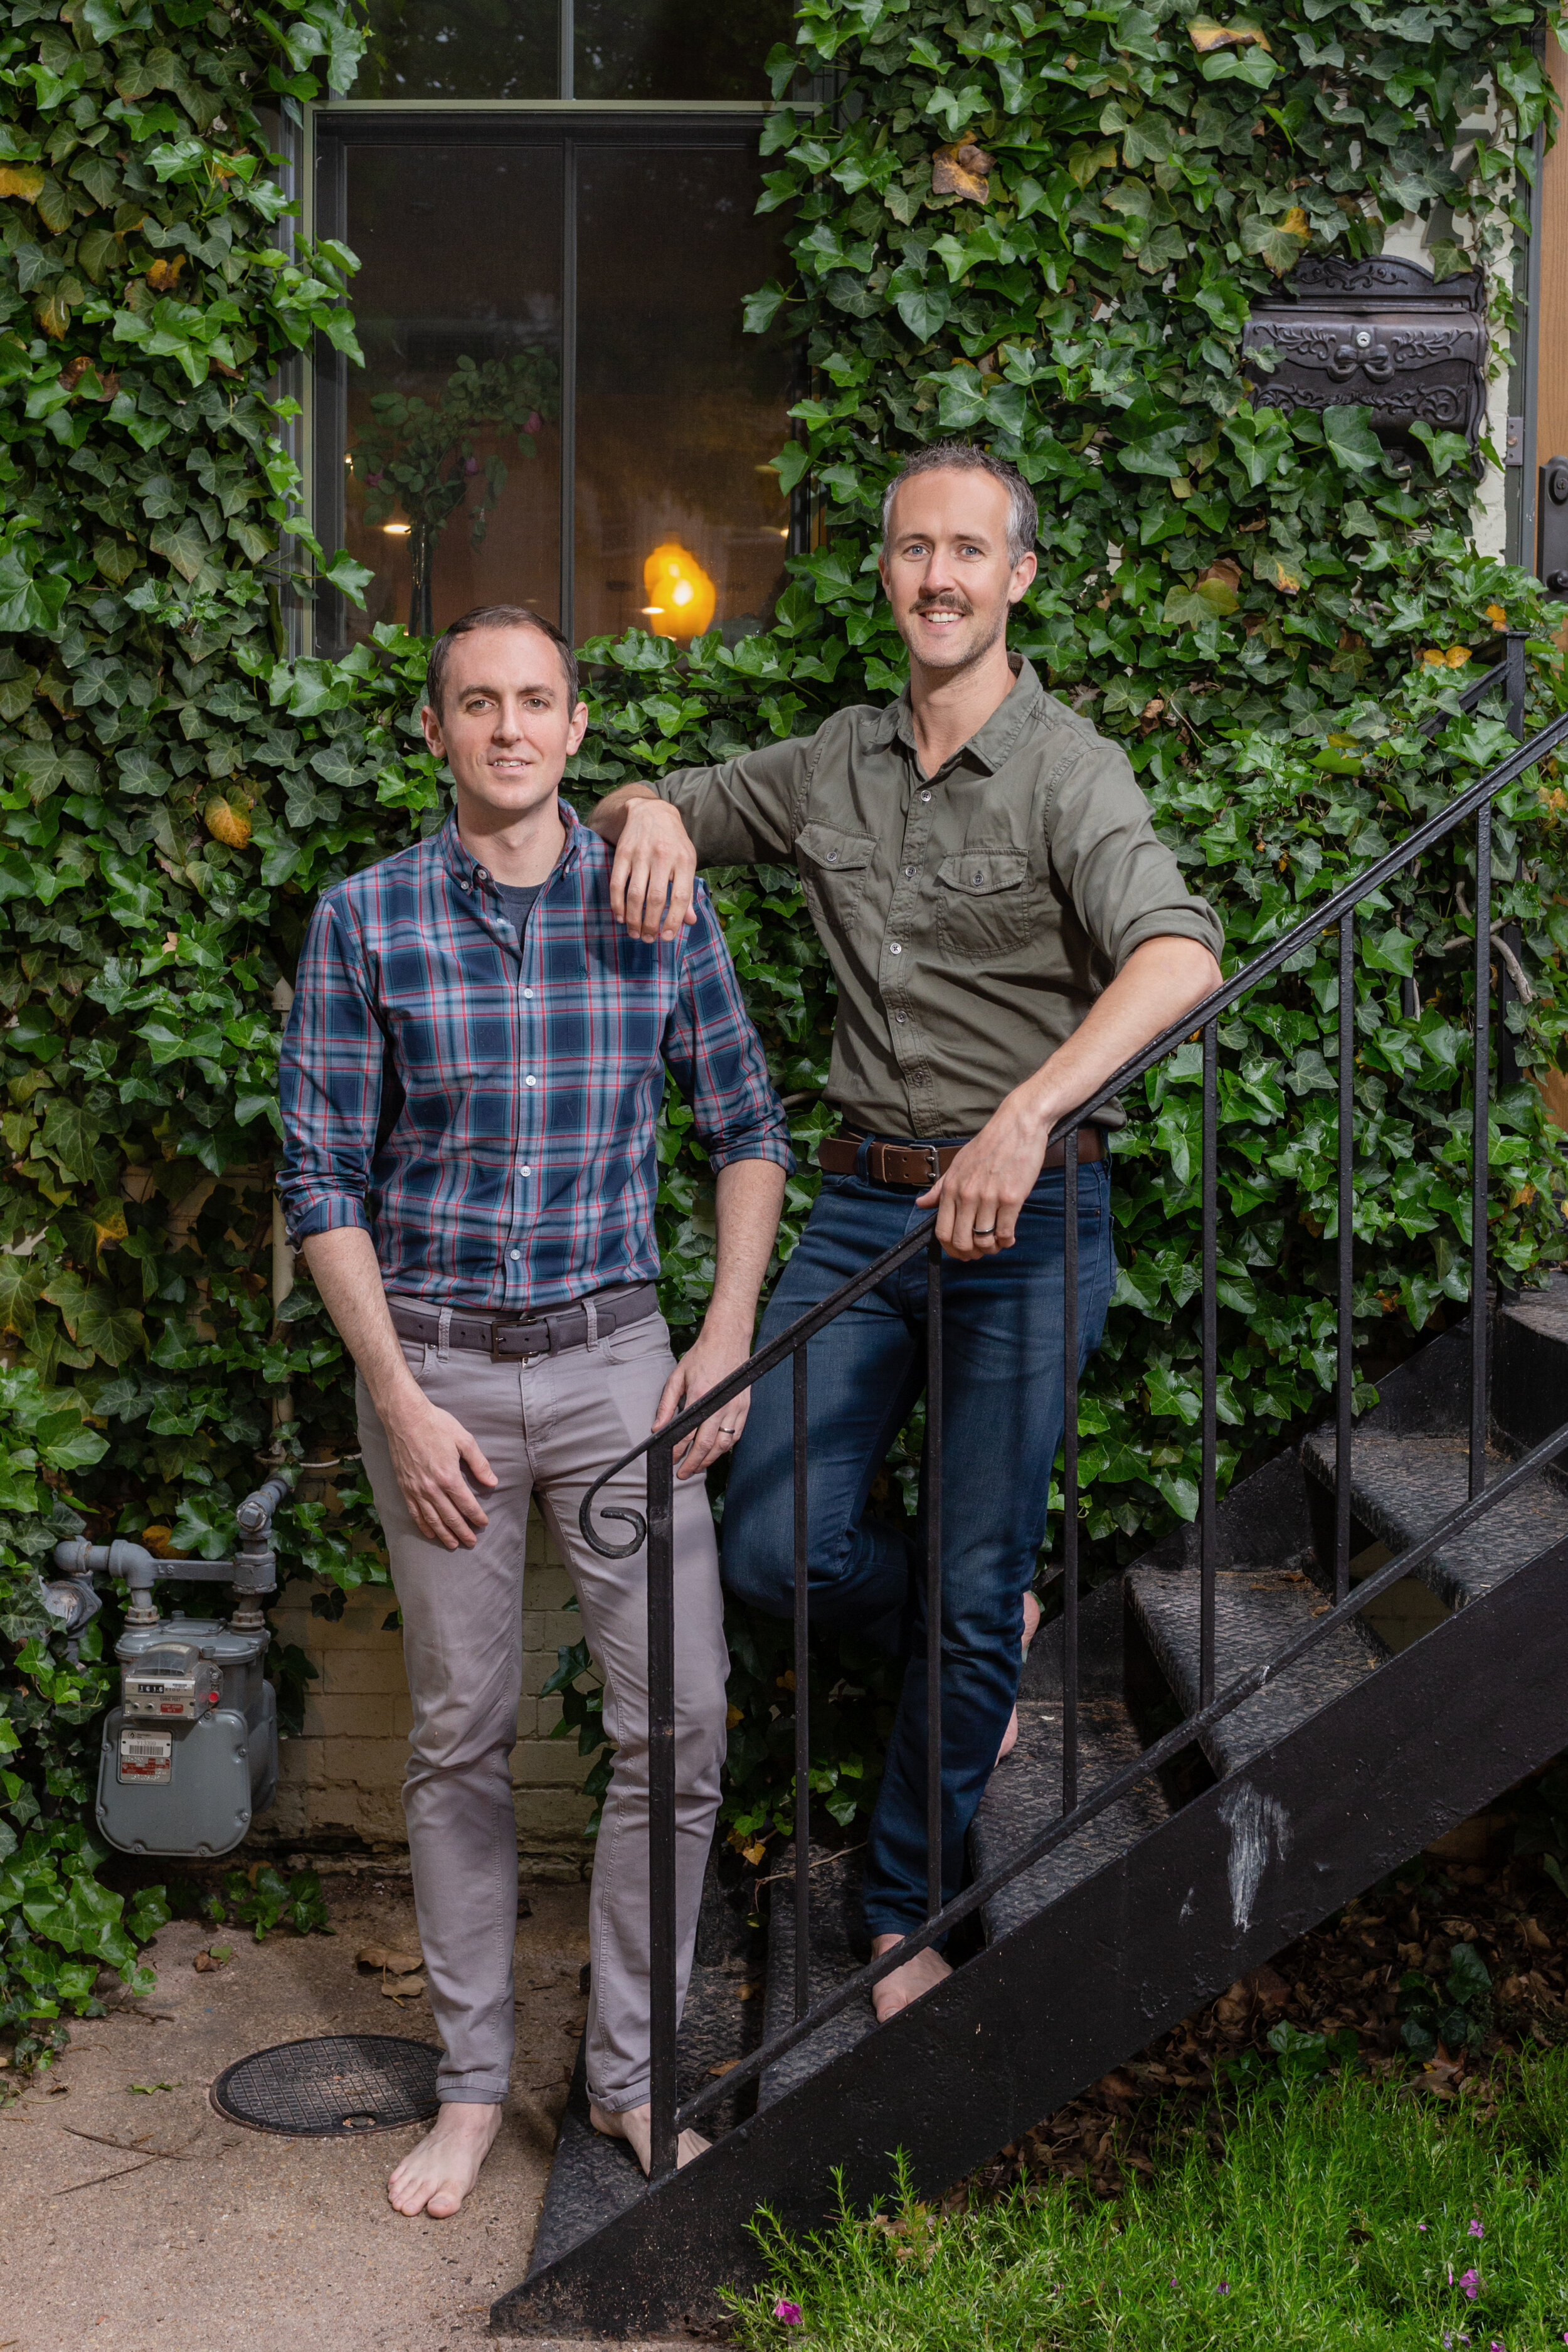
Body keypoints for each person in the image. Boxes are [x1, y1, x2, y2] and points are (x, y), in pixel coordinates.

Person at [591, 442, 1224, 2023]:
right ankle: (984, 1630)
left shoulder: (1068, 769)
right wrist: (645, 814)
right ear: (884, 572)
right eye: (908, 548)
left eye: (967, 551)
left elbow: (1175, 959)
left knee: (965, 1572)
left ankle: (897, 1915)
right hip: (868, 1201)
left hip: (1033, 1207)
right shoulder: (830, 764)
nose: (935, 575)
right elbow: (636, 798)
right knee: (767, 1546)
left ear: (1016, 577)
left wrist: (1025, 1114)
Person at [278, 603, 790, 2217]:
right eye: (475, 703)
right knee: (456, 1743)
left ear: (579, 728)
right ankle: (470, 2084)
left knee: (682, 1725)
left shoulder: (654, 901)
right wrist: (396, 1397)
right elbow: (319, 1180)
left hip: (619, 1368)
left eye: (536, 702)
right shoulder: (363, 922)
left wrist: (721, 1337)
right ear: (432, 734)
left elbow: (747, 1129)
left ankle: (629, 2080)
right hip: (433, 1378)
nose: (507, 727)